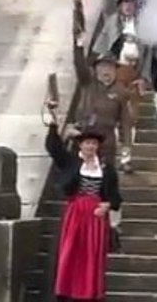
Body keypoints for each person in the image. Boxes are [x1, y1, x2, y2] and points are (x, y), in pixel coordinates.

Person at [45, 122, 121, 302]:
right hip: (75, 212)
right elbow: (54, 148)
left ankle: (89, 292)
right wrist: (54, 127)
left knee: (91, 254)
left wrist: (107, 205)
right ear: (80, 144)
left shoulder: (105, 168)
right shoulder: (72, 161)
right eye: (87, 143)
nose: (90, 147)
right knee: (70, 250)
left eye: (94, 144)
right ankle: (66, 290)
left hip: (96, 216)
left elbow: (116, 196)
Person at [90, 0, 150, 172]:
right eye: (124, 3)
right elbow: (99, 49)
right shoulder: (111, 23)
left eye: (131, 2)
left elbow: (149, 55)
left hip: (133, 76)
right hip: (115, 73)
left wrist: (144, 79)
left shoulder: (145, 25)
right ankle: (106, 156)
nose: (127, 6)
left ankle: (126, 159)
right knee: (108, 118)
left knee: (129, 120)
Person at [73, 53, 132, 169]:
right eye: (103, 67)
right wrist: (78, 46)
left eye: (111, 67)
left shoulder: (121, 91)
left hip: (107, 138)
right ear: (95, 69)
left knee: (105, 172)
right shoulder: (88, 83)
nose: (107, 71)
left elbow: (125, 121)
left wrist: (126, 144)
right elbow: (79, 66)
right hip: (85, 134)